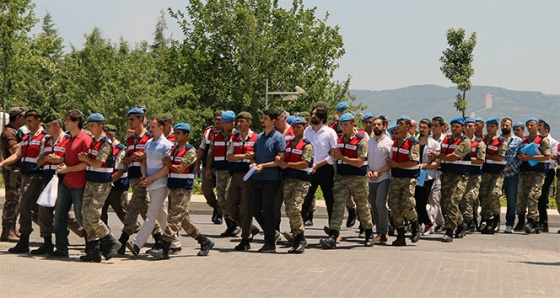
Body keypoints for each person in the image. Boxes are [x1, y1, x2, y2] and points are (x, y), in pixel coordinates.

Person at [151, 123, 214, 259]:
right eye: (175, 133)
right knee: (183, 219)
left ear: (186, 135)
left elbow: (180, 168)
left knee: (173, 219)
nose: (176, 136)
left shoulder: (190, 151)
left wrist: (168, 163)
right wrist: (166, 161)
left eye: (179, 133)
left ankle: (165, 248)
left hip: (183, 189)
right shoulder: (174, 149)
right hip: (173, 187)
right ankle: (204, 241)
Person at [320, 112, 374, 249]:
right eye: (341, 125)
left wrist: (342, 157)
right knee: (338, 206)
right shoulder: (338, 140)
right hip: (341, 178)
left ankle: (368, 233)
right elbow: (334, 157)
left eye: (345, 125)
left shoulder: (361, 140)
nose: (343, 128)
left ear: (352, 124)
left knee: (363, 207)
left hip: (358, 179)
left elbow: (359, 162)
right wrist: (333, 155)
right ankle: (333, 235)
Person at [48, 109, 93, 258]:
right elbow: (69, 159)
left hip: (79, 185)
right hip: (66, 184)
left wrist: (68, 168)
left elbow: (87, 164)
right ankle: (61, 249)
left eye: (68, 120)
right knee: (59, 217)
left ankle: (92, 248)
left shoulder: (85, 139)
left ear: (76, 122)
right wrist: (60, 161)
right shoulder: (69, 139)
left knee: (82, 218)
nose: (65, 123)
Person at [117, 107, 162, 254]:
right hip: (133, 176)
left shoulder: (149, 138)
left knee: (133, 206)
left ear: (140, 120)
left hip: (145, 177)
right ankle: (159, 237)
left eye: (132, 119)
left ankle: (123, 239)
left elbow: (154, 156)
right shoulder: (130, 139)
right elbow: (125, 158)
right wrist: (131, 158)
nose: (129, 122)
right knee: (145, 208)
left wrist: (143, 156)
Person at [127, 116, 173, 255]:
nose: (150, 129)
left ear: (161, 128)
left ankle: (136, 244)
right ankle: (175, 242)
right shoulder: (148, 143)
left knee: (151, 214)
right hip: (150, 183)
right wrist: (144, 175)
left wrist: (152, 178)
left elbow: (166, 168)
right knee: (161, 215)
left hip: (161, 183)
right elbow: (144, 162)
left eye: (153, 127)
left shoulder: (167, 145)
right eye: (150, 127)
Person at [78, 113, 121, 262]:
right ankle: (93, 249)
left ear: (101, 126)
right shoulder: (93, 142)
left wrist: (85, 158)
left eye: (92, 126)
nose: (90, 128)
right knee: (85, 215)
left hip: (101, 184)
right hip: (91, 182)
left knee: (93, 215)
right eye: (89, 125)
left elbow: (98, 163)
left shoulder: (105, 143)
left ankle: (110, 240)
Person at [1, 110, 45, 253]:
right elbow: (17, 154)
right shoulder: (27, 137)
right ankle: (26, 241)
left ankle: (44, 239)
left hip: (37, 177)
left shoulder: (45, 138)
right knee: (30, 208)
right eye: (27, 121)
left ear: (38, 121)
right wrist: (1, 164)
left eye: (31, 121)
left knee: (27, 207)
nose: (27, 124)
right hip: (26, 176)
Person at [249, 109, 285, 253]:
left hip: (272, 179)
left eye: (265, 118)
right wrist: (253, 162)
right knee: (254, 208)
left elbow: (279, 160)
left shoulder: (278, 138)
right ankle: (272, 233)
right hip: (258, 178)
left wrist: (264, 166)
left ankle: (270, 243)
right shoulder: (259, 137)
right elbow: (256, 156)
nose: (262, 120)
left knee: (268, 210)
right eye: (262, 118)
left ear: (273, 121)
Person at [430, 117, 471, 243]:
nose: (454, 129)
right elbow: (443, 154)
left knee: (453, 201)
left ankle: (449, 230)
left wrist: (437, 155)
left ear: (463, 128)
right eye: (452, 126)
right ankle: (461, 223)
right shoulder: (446, 140)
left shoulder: (465, 141)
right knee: (445, 203)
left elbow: (454, 157)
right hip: (447, 174)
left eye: (457, 126)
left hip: (460, 176)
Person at [277, 117, 313, 253]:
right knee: (288, 210)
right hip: (288, 180)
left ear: (304, 128)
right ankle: (296, 237)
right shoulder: (288, 143)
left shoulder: (307, 145)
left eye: (299, 127)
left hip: (301, 181)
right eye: (294, 126)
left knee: (294, 208)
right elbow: (283, 157)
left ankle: (301, 237)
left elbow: (305, 163)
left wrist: (287, 165)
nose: (296, 129)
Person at [226, 112, 261, 251]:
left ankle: (245, 239)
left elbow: (259, 156)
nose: (239, 124)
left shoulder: (256, 138)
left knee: (246, 207)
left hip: (249, 175)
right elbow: (229, 156)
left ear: (249, 123)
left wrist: (253, 158)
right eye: (238, 121)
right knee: (230, 206)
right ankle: (248, 227)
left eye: (242, 121)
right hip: (235, 174)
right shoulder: (234, 138)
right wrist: (243, 155)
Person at [386, 115, 421, 246]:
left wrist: (396, 164)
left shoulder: (413, 142)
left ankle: (415, 224)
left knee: (407, 204)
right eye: (398, 123)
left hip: (408, 178)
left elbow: (413, 161)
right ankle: (400, 235)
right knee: (394, 205)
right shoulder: (395, 141)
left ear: (408, 126)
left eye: (401, 123)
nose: (398, 125)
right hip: (395, 177)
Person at [301, 104, 337, 230]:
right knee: (305, 198)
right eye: (312, 114)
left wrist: (319, 164)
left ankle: (333, 229)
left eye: (315, 114)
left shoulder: (329, 133)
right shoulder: (307, 132)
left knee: (329, 199)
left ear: (322, 117)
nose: (312, 116)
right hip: (309, 168)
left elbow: (334, 155)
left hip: (324, 169)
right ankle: (298, 228)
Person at [206, 110, 239, 237]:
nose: (233, 124)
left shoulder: (236, 135)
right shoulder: (216, 135)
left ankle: (237, 223)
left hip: (232, 171)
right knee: (221, 198)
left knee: (228, 196)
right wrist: (208, 168)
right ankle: (230, 224)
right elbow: (210, 153)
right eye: (230, 121)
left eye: (233, 121)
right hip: (220, 170)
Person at [516, 117, 551, 234]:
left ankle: (532, 221)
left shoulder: (543, 140)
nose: (530, 127)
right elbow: (518, 154)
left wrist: (531, 157)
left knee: (533, 196)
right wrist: (520, 157)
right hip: (524, 172)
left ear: (537, 126)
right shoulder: (523, 140)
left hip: (538, 173)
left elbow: (547, 156)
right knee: (522, 197)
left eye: (532, 125)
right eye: (528, 126)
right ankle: (521, 220)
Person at [478, 117, 507, 234]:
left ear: (497, 127)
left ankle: (496, 218)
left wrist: (484, 156)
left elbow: (500, 157)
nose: (489, 129)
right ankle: (488, 220)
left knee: (494, 195)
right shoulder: (482, 140)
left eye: (492, 126)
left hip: (497, 173)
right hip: (485, 172)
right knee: (484, 197)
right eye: (488, 126)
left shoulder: (501, 141)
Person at [366, 117, 393, 244]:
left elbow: (390, 163)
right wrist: (369, 171)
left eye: (379, 124)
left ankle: (384, 231)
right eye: (374, 124)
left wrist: (379, 172)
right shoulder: (369, 142)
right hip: (371, 179)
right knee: (373, 204)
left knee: (380, 202)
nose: (376, 126)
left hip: (383, 177)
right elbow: (365, 160)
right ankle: (378, 231)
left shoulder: (389, 143)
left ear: (384, 126)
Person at [0, 107, 25, 242]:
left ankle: (12, 229)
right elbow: (14, 149)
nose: (25, 120)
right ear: (17, 118)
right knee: (12, 200)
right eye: (23, 117)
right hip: (12, 171)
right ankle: (7, 230)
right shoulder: (9, 132)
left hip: (17, 170)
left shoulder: (15, 131)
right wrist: (28, 141)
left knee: (17, 200)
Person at [195, 110, 223, 224]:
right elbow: (202, 149)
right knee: (206, 190)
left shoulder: (231, 132)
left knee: (222, 193)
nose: (217, 121)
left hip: (222, 168)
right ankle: (216, 206)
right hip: (208, 167)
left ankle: (220, 214)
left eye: (220, 119)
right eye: (216, 119)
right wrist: (197, 163)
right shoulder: (208, 132)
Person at [458, 118, 484, 236]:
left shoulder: (479, 143)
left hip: (474, 175)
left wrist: (464, 158)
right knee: (459, 199)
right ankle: (466, 221)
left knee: (468, 198)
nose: (467, 128)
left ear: (475, 128)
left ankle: (468, 222)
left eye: (470, 126)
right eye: (466, 126)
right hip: (461, 174)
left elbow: (480, 160)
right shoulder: (459, 141)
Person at [414, 119, 440, 236]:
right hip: (415, 175)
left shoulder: (434, 144)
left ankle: (428, 223)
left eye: (425, 127)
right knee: (416, 200)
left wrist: (425, 165)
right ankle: (420, 222)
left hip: (426, 175)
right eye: (421, 127)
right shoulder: (415, 142)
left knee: (421, 200)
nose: (422, 130)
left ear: (430, 129)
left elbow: (437, 163)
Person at [499, 118, 523, 233]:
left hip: (512, 175)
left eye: (507, 125)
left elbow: (520, 157)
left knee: (511, 201)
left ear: (511, 126)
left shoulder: (518, 141)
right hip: (498, 175)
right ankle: (495, 222)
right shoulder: (497, 140)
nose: (505, 127)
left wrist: (510, 167)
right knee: (494, 199)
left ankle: (509, 224)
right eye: (503, 125)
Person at [537, 120, 557, 232]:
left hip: (547, 171)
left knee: (542, 196)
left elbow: (552, 160)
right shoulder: (535, 141)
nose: (538, 132)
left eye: (540, 130)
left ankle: (543, 222)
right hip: (536, 170)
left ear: (546, 131)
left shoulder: (553, 142)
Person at [428, 116, 447, 232]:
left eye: (436, 126)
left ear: (442, 127)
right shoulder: (428, 140)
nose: (433, 128)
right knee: (433, 198)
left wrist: (437, 156)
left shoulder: (446, 141)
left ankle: (431, 223)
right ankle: (438, 222)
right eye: (432, 126)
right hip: (430, 172)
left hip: (443, 172)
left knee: (437, 199)